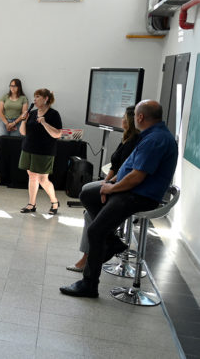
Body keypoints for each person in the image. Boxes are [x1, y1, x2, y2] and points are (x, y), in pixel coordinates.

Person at [60, 100, 177, 298]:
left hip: (140, 195)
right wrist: (110, 183)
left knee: (96, 231)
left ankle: (89, 285)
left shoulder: (155, 140)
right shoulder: (151, 135)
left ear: (140, 117)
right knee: (88, 193)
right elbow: (128, 168)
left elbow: (137, 177)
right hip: (130, 189)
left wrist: (112, 188)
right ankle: (112, 241)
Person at [67, 105, 141, 272]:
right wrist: (105, 182)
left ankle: (88, 258)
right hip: (114, 181)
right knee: (88, 193)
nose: (121, 120)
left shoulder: (135, 142)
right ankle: (108, 241)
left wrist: (108, 187)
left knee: (89, 214)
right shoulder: (125, 139)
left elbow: (126, 172)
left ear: (130, 121)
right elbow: (115, 166)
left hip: (122, 186)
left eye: (124, 117)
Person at [17, 88, 62, 215]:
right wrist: (24, 120)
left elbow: (58, 134)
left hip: (44, 151)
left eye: (38, 97)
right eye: (35, 97)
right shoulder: (32, 113)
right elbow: (23, 132)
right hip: (28, 148)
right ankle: (31, 204)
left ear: (46, 98)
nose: (35, 100)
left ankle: (54, 202)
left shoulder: (53, 114)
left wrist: (44, 123)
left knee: (43, 179)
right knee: (32, 176)